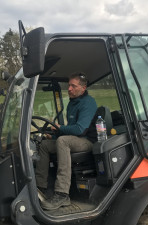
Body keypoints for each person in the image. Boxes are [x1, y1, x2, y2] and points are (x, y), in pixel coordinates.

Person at [35, 72, 97, 210]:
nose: (69, 89)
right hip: (75, 139)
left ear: (83, 88)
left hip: (87, 141)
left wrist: (59, 127)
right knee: (45, 145)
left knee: (63, 141)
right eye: (69, 85)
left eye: (73, 86)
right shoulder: (71, 104)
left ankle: (62, 194)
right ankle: (41, 187)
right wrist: (55, 135)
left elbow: (80, 130)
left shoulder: (88, 103)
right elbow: (70, 130)